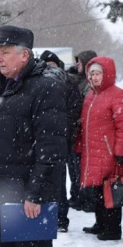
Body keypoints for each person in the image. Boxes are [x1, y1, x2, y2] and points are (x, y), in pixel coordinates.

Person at [0, 25, 67, 247]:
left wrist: (36, 194)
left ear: (24, 55)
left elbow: (51, 147)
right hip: (6, 194)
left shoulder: (46, 87)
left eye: (5, 52)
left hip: (29, 197)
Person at [80, 56, 123, 241]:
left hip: (110, 153)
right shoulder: (90, 97)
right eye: (92, 73)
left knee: (110, 192)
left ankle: (112, 229)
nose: (95, 77)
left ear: (107, 74)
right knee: (96, 192)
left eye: (98, 74)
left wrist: (120, 152)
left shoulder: (118, 95)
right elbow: (84, 126)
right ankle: (100, 223)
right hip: (93, 152)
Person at [41, 50, 82, 233]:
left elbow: (74, 112)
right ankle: (54, 218)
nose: (50, 67)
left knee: (54, 180)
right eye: (46, 63)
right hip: (50, 139)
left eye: (52, 63)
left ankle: (57, 218)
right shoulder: (40, 83)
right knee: (50, 181)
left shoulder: (66, 84)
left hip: (54, 139)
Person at [68, 50, 97, 211]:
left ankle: (86, 198)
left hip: (82, 131)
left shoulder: (88, 84)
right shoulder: (78, 80)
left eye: (80, 63)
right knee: (74, 169)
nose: (77, 65)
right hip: (75, 131)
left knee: (81, 168)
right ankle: (78, 196)